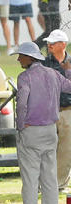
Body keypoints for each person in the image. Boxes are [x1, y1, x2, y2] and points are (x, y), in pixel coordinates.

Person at [9, 42, 71, 204]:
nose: (19, 59)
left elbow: (21, 104)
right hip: (50, 131)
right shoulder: (53, 74)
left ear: (30, 58)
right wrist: (68, 71)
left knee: (30, 181)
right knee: (50, 180)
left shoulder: (24, 77)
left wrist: (20, 125)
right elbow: (69, 87)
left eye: (21, 56)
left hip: (31, 131)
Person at [40, 29, 71, 189]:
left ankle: (59, 183)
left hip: (68, 111)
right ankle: (43, 182)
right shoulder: (43, 64)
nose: (49, 45)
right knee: (46, 149)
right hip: (48, 112)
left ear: (63, 45)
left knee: (66, 149)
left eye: (53, 43)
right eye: (49, 43)